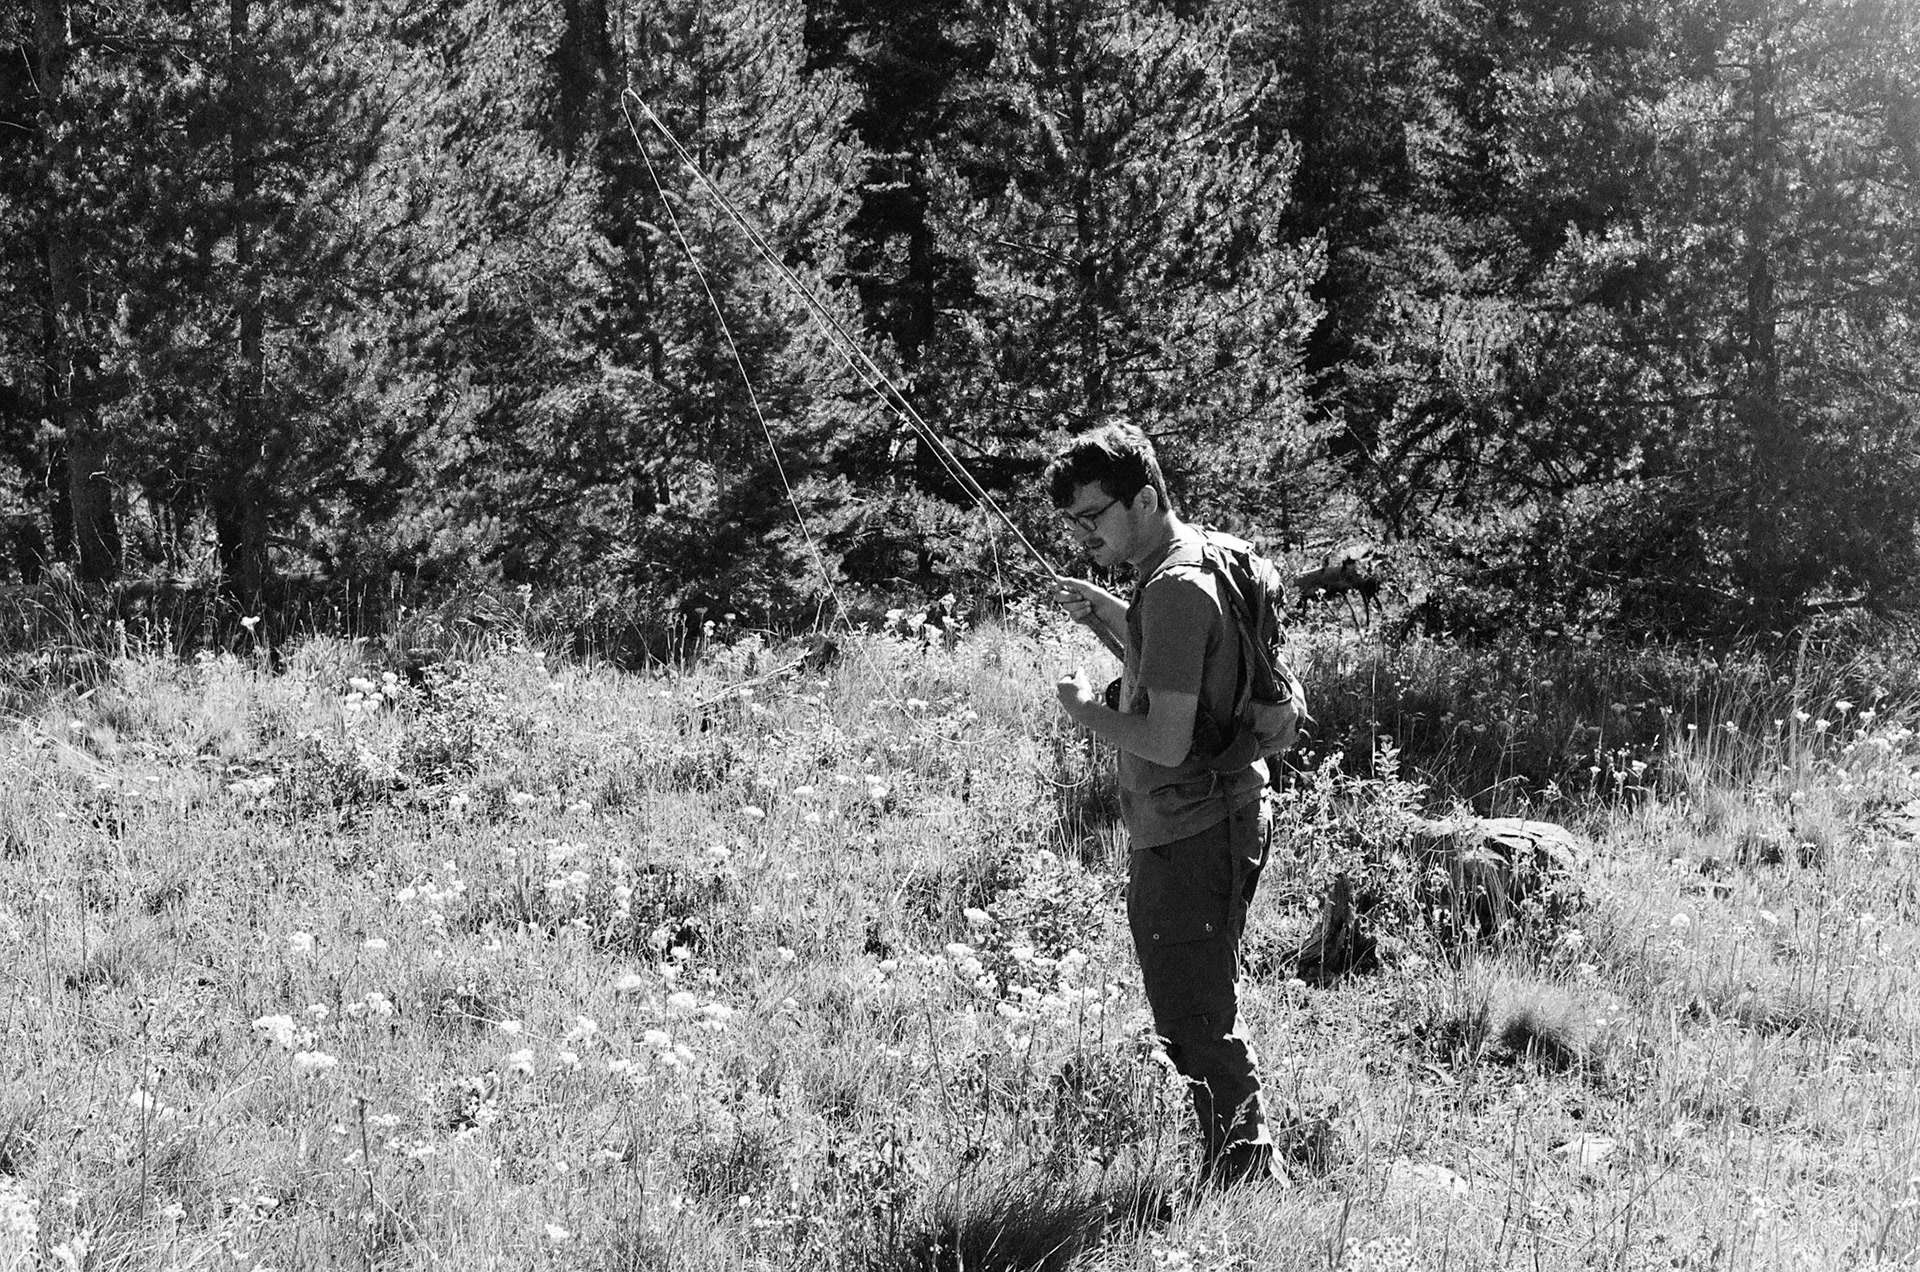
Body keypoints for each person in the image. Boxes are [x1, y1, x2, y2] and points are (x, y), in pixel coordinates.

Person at [1044, 423, 1281, 1189]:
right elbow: (1178, 663)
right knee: (1200, 1000)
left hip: (1193, 825)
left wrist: (1086, 711)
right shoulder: (1192, 559)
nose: (1082, 535)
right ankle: (1242, 1168)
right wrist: (1109, 612)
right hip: (1225, 809)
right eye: (1072, 522)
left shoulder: (1174, 590)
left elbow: (1169, 741)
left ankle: (1248, 1178)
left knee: (1192, 1018)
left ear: (1144, 499)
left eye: (1092, 516)